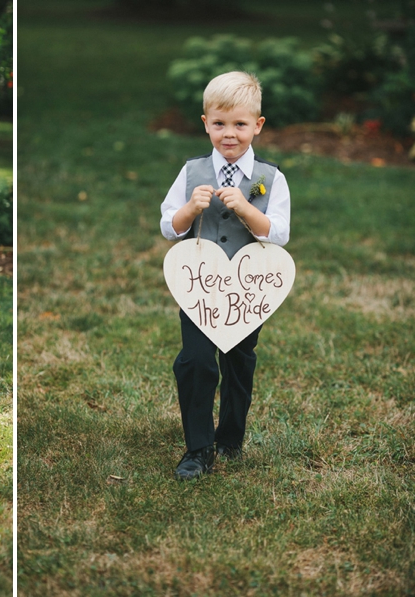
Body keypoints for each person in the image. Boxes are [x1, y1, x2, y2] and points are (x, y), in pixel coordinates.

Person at [159, 71, 291, 480]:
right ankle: (198, 449)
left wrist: (247, 209)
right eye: (219, 124)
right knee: (196, 362)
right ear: (205, 123)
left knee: (239, 361)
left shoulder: (270, 179)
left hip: (248, 290)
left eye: (239, 124)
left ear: (258, 125)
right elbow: (169, 226)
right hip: (199, 284)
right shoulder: (192, 172)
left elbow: (280, 233)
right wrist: (190, 209)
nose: (228, 134)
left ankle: (230, 436)